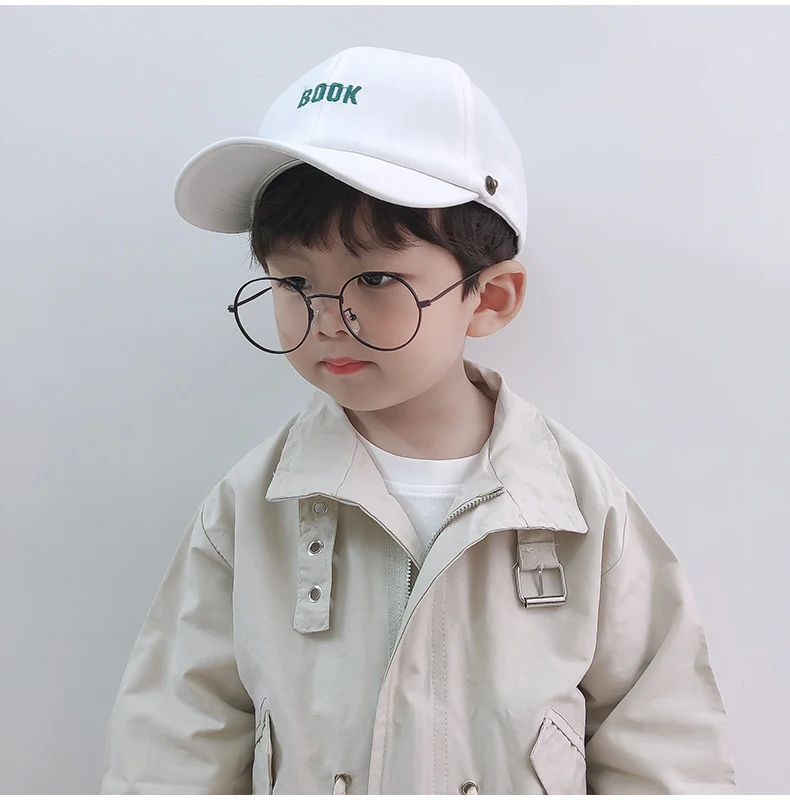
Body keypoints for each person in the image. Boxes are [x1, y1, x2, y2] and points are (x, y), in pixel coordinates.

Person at [101, 46, 737, 794]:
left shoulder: (578, 508)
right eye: (295, 280)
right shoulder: (250, 510)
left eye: (375, 277)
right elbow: (174, 742)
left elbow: (665, 746)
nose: (326, 318)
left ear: (489, 298)